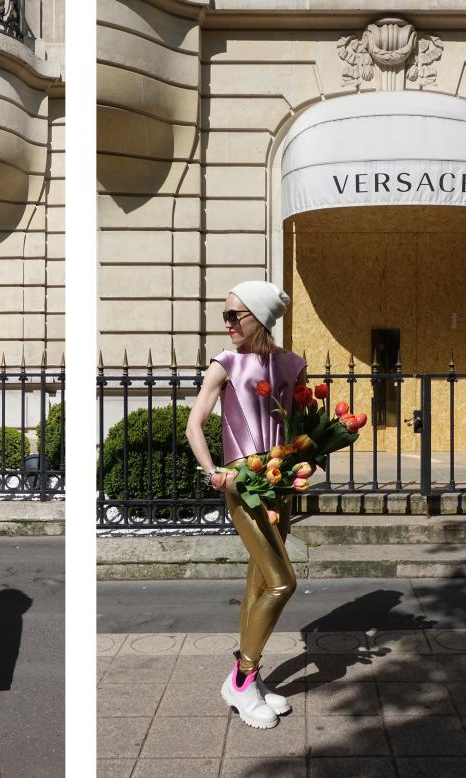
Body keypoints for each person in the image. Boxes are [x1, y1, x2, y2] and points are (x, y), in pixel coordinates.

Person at [185, 280, 307, 730]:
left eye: (235, 315)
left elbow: (300, 421)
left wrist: (304, 457)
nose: (228, 324)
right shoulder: (226, 363)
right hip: (244, 484)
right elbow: (194, 425)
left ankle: (247, 683)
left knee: (259, 583)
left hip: (281, 484)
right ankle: (241, 679)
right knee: (282, 583)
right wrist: (212, 471)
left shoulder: (292, 364)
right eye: (226, 316)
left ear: (260, 317)